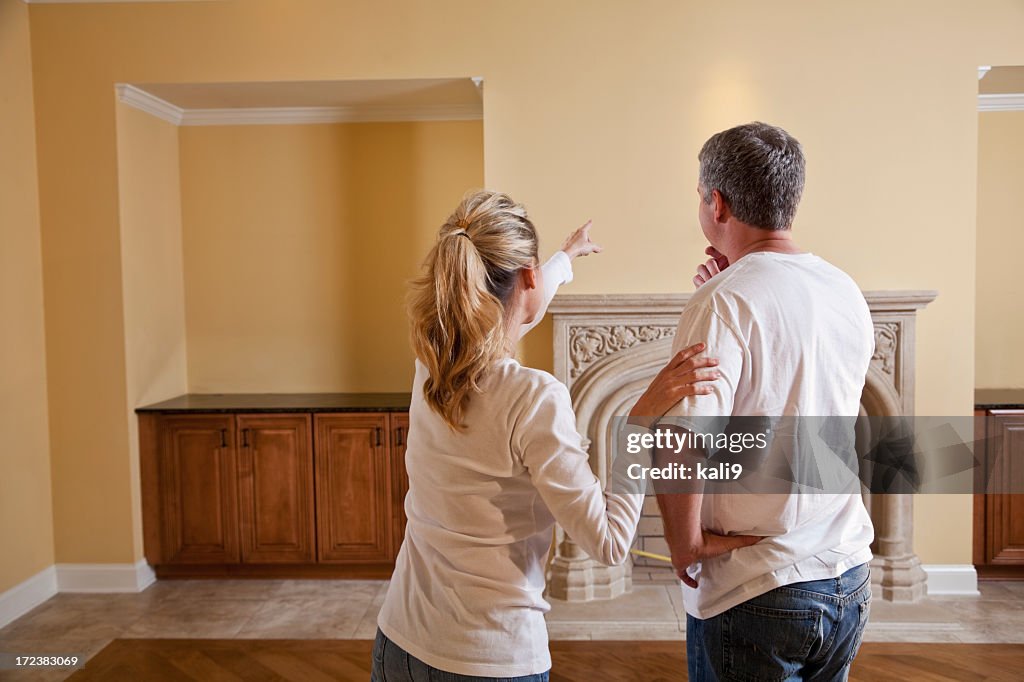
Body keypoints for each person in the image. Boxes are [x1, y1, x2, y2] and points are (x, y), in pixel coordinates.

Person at [371, 190, 747, 681]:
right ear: (525, 276)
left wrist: (565, 259)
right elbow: (611, 543)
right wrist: (639, 419)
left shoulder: (431, 367)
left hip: (400, 642)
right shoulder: (532, 397)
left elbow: (523, 304)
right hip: (488, 660)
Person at [658, 122, 876, 681]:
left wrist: (683, 546)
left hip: (759, 586)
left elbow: (680, 439)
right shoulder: (842, 288)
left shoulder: (724, 299)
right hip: (846, 572)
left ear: (717, 202)